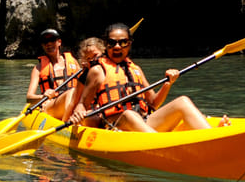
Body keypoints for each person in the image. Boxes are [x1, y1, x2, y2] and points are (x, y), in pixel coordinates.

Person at [66, 23, 230, 132]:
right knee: (129, 114)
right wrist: (78, 113)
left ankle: (211, 134)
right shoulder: (97, 70)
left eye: (122, 42)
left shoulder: (135, 69)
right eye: (112, 43)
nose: (117, 47)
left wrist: (168, 83)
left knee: (182, 101)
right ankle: (161, 145)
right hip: (116, 127)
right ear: (106, 45)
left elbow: (153, 103)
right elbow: (82, 104)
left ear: (129, 44)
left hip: (144, 123)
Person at [27, 28, 83, 120]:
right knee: (71, 92)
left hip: (73, 102)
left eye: (52, 40)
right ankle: (66, 124)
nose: (48, 44)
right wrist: (43, 97)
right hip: (51, 105)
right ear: (42, 45)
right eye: (45, 41)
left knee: (73, 93)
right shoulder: (38, 69)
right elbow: (29, 98)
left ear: (59, 42)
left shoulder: (73, 62)